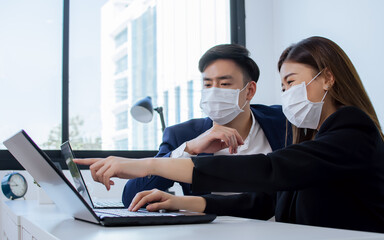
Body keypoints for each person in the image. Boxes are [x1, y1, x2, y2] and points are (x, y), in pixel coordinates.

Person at [75, 36, 384, 233]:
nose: (288, 94)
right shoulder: (316, 137)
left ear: (328, 77)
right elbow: (263, 202)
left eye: (292, 82)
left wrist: (151, 164)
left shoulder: (353, 130)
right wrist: (179, 202)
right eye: (283, 87)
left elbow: (269, 170)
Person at [121, 44, 288, 219]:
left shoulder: (283, 122)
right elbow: (130, 198)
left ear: (249, 91)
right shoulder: (183, 135)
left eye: (224, 83)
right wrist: (188, 149)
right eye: (207, 84)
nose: (214, 91)